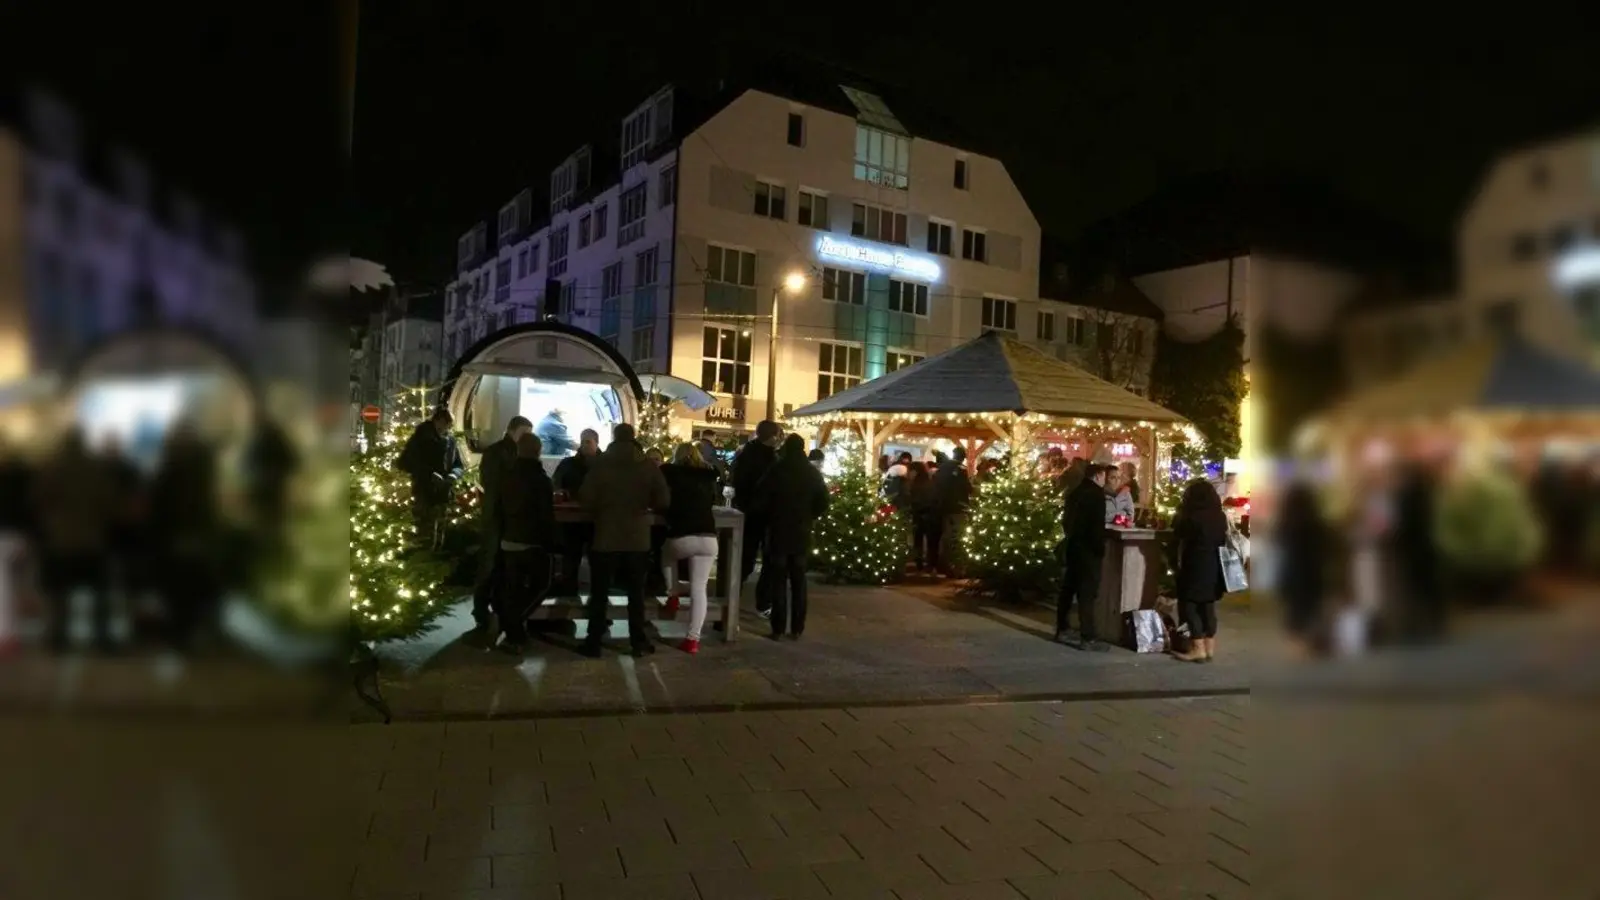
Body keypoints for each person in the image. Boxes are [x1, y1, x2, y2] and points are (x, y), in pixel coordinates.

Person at [577, 423, 670, 658]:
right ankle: (637, 641)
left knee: (599, 593)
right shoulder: (647, 466)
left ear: (614, 437)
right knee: (636, 594)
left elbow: (586, 498)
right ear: (634, 437)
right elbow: (664, 500)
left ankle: (594, 642)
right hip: (637, 538)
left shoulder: (601, 464)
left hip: (605, 536)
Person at [33, 429, 115, 653]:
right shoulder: (95, 469)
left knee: (60, 596)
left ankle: (59, 638)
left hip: (61, 540)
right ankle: (102, 638)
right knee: (100, 595)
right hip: (92, 540)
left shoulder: (52, 469)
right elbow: (108, 502)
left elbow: (38, 500)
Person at [749, 434, 830, 639]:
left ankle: (778, 627)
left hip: (778, 532)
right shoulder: (812, 473)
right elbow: (823, 502)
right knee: (799, 582)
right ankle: (797, 627)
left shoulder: (776, 471)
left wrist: (769, 516)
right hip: (801, 533)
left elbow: (760, 500)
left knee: (778, 581)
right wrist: (809, 516)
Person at [494, 433, 558, 655]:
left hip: (508, 540)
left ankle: (513, 631)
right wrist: (551, 543)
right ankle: (512, 626)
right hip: (531, 542)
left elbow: (498, 507)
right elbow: (545, 515)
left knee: (514, 589)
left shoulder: (506, 475)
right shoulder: (540, 480)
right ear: (539, 452)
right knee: (541, 585)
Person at [471, 415, 533, 640]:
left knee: (495, 565)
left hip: (498, 514)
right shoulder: (502, 452)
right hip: (498, 515)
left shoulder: (499, 451)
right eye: (525, 433)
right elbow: (495, 483)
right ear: (513, 430)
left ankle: (489, 611)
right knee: (490, 564)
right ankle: (482, 611)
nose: (526, 438)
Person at [659, 443, 721, 654]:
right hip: (709, 538)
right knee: (699, 589)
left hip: (682, 536)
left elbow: (663, 500)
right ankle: (693, 640)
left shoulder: (670, 472)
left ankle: (673, 595)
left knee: (667, 554)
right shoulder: (708, 476)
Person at [1168, 478, 1229, 662]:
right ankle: (1209, 647)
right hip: (1214, 565)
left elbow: (1177, 534)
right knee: (1208, 605)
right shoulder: (1220, 516)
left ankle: (1197, 648)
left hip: (1194, 565)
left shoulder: (1190, 517)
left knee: (1190, 605)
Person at [1057, 463, 1111, 651]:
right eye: (1104, 476)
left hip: (1074, 547)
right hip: (1089, 550)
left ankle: (1062, 628)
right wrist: (1099, 549)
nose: (1105, 480)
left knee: (1069, 589)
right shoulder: (1096, 495)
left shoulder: (1075, 492)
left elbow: (1067, 520)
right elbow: (1096, 526)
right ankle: (1088, 636)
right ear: (1097, 476)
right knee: (1087, 593)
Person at [731, 419, 781, 614]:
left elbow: (737, 482)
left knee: (744, 559)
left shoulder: (745, 454)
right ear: (772, 437)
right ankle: (762, 602)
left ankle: (732, 599)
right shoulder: (772, 459)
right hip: (764, 515)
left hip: (748, 514)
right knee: (766, 560)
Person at [397, 408, 463, 546]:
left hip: (444, 491)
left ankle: (437, 550)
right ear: (436, 421)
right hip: (424, 491)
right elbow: (406, 462)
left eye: (448, 426)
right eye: (444, 424)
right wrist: (430, 474)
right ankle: (423, 551)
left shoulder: (450, 441)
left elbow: (458, 464)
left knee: (441, 528)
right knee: (424, 529)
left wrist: (453, 474)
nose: (446, 429)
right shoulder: (421, 439)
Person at [551, 428, 600, 597]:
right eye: (582, 441)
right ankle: (569, 594)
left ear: (596, 443)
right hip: (572, 519)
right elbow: (556, 483)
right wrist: (562, 493)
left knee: (597, 560)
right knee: (571, 558)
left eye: (588, 442)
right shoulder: (568, 464)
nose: (584, 445)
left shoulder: (604, 465)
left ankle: (597, 597)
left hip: (596, 520)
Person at [930, 446, 972, 576]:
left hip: (943, 507)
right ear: (963, 457)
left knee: (946, 536)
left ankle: (943, 565)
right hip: (958, 507)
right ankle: (957, 566)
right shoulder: (961, 469)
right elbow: (966, 488)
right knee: (959, 537)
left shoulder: (942, 468)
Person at [906, 461, 939, 572]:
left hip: (920, 514)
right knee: (930, 541)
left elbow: (915, 500)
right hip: (930, 515)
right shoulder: (930, 482)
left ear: (915, 472)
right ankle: (930, 563)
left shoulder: (916, 484)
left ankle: (919, 562)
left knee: (918, 540)